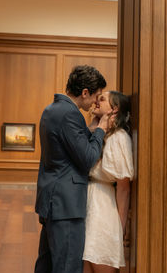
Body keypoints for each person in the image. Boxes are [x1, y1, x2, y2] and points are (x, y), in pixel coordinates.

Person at [34, 65, 111, 273]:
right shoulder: (70, 113)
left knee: (47, 265)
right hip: (65, 206)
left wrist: (90, 131)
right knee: (67, 267)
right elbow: (87, 159)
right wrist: (101, 130)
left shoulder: (52, 109)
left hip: (52, 200)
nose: (96, 102)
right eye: (96, 96)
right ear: (84, 93)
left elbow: (67, 147)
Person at [83, 91, 134, 273]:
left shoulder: (119, 138)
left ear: (115, 109)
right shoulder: (98, 132)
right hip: (88, 204)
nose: (97, 101)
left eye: (102, 99)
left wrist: (119, 229)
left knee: (100, 259)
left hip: (104, 209)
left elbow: (123, 188)